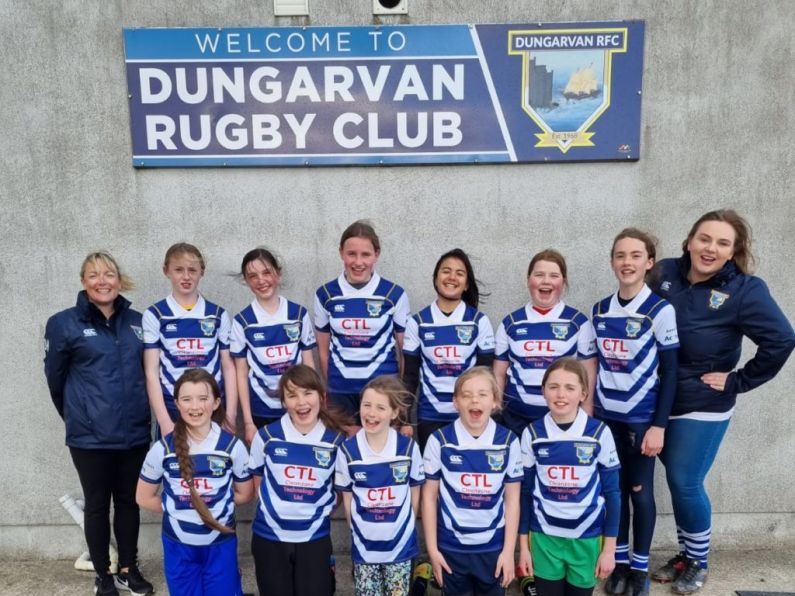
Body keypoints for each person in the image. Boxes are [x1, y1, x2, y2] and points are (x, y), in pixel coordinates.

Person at [648, 209, 795, 594]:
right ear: (690, 241)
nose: (710, 248)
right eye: (705, 238)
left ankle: (699, 561)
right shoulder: (663, 273)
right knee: (679, 483)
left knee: (685, 480)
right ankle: (685, 553)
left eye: (722, 243)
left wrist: (739, 380)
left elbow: (782, 339)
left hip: (703, 404)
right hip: (658, 400)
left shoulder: (746, 289)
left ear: (734, 252)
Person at [44, 251, 154, 596]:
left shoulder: (138, 321)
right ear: (83, 282)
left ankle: (128, 569)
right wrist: (82, 416)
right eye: (94, 275)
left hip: (134, 432)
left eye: (109, 274)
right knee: (96, 505)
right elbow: (55, 381)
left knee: (128, 502)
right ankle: (103, 576)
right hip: (89, 437)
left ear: (119, 280)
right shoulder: (63, 324)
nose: (102, 281)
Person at [580, 229, 679, 596]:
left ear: (649, 262)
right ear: (612, 262)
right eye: (620, 255)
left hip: (642, 418)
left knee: (639, 491)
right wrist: (589, 411)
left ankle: (640, 567)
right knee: (614, 491)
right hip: (607, 417)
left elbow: (670, 372)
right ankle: (618, 563)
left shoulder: (660, 309)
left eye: (636, 255)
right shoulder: (600, 310)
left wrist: (659, 426)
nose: (627, 262)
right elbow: (591, 362)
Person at [136, 369, 254, 596]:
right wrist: (179, 509)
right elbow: (143, 497)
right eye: (187, 399)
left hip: (220, 542)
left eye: (203, 398)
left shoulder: (233, 447)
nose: (195, 407)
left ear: (216, 402)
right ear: (177, 404)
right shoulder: (163, 448)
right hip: (178, 544)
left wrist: (215, 507)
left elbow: (245, 494)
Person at [518, 358, 621, 596]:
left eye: (570, 387)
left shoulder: (599, 433)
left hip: (586, 538)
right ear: (543, 391)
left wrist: (609, 550)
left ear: (583, 393)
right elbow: (525, 494)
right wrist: (523, 547)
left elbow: (613, 494)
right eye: (553, 386)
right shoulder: (533, 433)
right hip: (545, 538)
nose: (560, 394)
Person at [248, 364, 348, 596]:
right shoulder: (267, 437)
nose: (301, 402)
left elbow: (341, 492)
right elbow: (258, 487)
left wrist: (316, 514)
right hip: (269, 537)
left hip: (314, 537)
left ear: (322, 397)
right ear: (283, 402)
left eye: (307, 393)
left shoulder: (336, 441)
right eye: (292, 395)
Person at [422, 367, 522, 595]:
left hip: (493, 548)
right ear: (456, 402)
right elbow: (429, 498)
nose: (474, 400)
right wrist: (432, 550)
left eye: (483, 394)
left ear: (495, 402)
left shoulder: (508, 441)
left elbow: (513, 499)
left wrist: (508, 551)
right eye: (466, 395)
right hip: (450, 548)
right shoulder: (439, 441)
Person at [335, 376, 425, 596]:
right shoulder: (347, 451)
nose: (371, 413)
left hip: (399, 549)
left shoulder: (408, 449)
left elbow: (414, 496)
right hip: (365, 550)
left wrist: (401, 530)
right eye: (367, 405)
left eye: (380, 407)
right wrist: (360, 532)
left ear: (394, 413)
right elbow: (348, 501)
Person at [494, 249, 597, 439]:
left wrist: (587, 411)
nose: (546, 281)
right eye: (539, 275)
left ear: (563, 283)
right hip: (515, 420)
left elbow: (589, 372)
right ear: (529, 280)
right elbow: (499, 373)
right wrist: (496, 412)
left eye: (554, 275)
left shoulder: (578, 322)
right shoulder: (510, 323)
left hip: (562, 420)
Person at [314, 220, 410, 422]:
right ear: (341, 253)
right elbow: (323, 351)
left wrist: (397, 389)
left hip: (383, 391)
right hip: (341, 390)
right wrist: (332, 385)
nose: (358, 262)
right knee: (344, 449)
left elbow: (404, 351)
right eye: (351, 254)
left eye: (365, 254)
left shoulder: (394, 294)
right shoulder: (325, 294)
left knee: (380, 450)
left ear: (377, 254)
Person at [403, 248, 495, 449]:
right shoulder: (417, 322)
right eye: (446, 271)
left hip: (469, 415)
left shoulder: (479, 322)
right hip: (429, 415)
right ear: (436, 278)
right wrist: (405, 420)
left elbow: (486, 375)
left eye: (459, 273)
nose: (452, 277)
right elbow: (410, 377)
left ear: (466, 284)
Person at [142, 243, 237, 436]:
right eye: (179, 270)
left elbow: (228, 366)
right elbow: (151, 372)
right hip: (172, 406)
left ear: (201, 272)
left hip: (212, 405)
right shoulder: (155, 314)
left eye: (192, 270)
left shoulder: (217, 314)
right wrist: (164, 421)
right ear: (166, 271)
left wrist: (231, 415)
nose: (186, 276)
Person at [231, 248, 316, 443]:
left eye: (266, 272)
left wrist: (314, 404)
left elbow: (309, 365)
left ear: (278, 273)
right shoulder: (242, 321)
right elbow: (241, 374)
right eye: (253, 276)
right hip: (261, 409)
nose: (261, 280)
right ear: (246, 281)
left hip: (298, 406)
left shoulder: (298, 315)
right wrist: (248, 422)